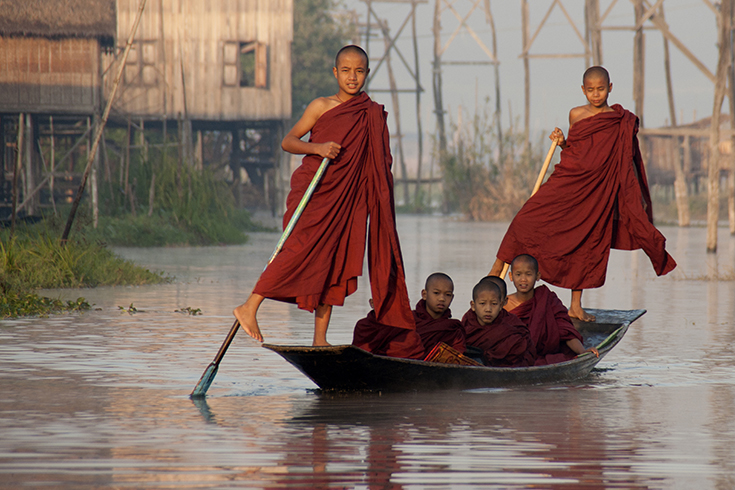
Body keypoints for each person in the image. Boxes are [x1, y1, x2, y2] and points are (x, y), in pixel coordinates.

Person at [233, 45, 417, 348]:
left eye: (359, 71)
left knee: (334, 263)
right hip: (315, 193)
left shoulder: (372, 113)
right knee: (296, 251)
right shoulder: (321, 106)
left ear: (367, 74)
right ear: (335, 73)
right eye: (346, 70)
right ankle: (250, 306)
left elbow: (379, 165)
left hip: (349, 200)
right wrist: (317, 148)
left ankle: (320, 338)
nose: (352, 77)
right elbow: (288, 141)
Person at [489, 66, 676, 322]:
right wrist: (563, 141)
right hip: (568, 181)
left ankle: (575, 306)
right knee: (525, 219)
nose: (596, 95)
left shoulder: (621, 120)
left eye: (601, 89)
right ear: (583, 90)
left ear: (610, 88)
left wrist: (633, 197)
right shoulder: (576, 114)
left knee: (587, 241)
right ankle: (494, 275)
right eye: (590, 90)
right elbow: (574, 151)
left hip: (598, 190)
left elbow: (626, 160)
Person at [505, 254, 596, 365]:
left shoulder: (547, 299)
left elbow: (566, 332)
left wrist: (582, 351)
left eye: (528, 274)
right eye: (518, 274)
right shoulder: (503, 304)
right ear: (511, 276)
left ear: (537, 276)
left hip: (543, 354)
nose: (523, 279)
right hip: (513, 357)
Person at [461, 277, 536, 367]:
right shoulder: (468, 321)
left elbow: (525, 350)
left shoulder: (512, 325)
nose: (488, 309)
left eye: (494, 304)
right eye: (482, 303)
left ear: (501, 305)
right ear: (473, 305)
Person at [352, 299, 426, 359]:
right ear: (372, 303)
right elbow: (355, 357)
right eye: (384, 301)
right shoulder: (364, 326)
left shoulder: (408, 332)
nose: (389, 307)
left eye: (394, 302)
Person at [412, 272, 466, 353]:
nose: (442, 299)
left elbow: (457, 355)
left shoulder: (453, 328)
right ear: (424, 294)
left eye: (447, 295)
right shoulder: (410, 320)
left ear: (452, 297)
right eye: (436, 293)